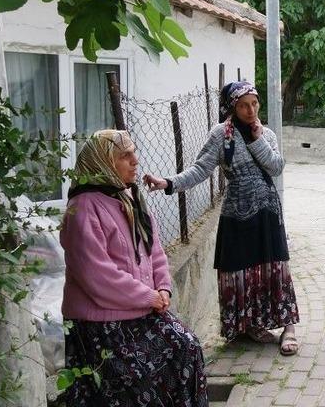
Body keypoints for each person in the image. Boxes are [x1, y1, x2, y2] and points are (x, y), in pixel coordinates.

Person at [143, 81, 300, 355]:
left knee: (276, 269)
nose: (250, 110)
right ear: (232, 107)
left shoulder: (267, 134)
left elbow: (276, 167)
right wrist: (167, 183)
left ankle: (288, 327)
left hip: (266, 212)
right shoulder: (220, 135)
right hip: (235, 216)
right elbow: (199, 170)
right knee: (238, 272)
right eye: (243, 105)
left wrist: (257, 138)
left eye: (254, 103)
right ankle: (248, 326)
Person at [61, 130, 207, 406]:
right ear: (103, 163)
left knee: (186, 347)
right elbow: (97, 276)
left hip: (138, 311)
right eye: (124, 155)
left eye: (134, 152)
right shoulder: (83, 208)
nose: (135, 160)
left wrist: (163, 287)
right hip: (100, 323)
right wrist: (149, 296)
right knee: (137, 383)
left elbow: (155, 251)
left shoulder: (129, 199)